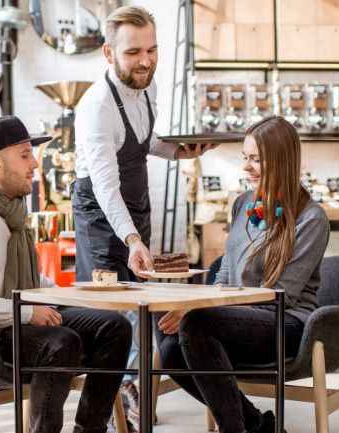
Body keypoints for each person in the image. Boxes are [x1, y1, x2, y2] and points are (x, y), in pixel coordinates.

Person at [0, 115, 131, 433]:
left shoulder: (9, 211)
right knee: (60, 342)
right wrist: (27, 314)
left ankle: (89, 429)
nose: (35, 165)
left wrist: (71, 296)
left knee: (114, 326)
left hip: (16, 318)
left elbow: (29, 280)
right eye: (25, 155)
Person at [72, 6, 212, 425]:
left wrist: (179, 151)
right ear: (109, 53)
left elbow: (143, 140)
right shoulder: (95, 105)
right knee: (111, 310)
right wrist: (132, 240)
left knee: (141, 301)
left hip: (136, 205)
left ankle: (131, 388)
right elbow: (104, 184)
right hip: (100, 213)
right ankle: (114, 403)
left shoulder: (148, 86)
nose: (147, 60)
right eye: (134, 52)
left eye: (152, 49)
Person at [158, 116, 330, 433]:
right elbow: (225, 271)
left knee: (196, 322)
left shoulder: (311, 218)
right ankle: (253, 423)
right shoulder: (243, 204)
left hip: (287, 321)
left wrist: (203, 309)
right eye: (245, 158)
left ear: (281, 160)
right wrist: (198, 303)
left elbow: (280, 294)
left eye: (256, 159)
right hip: (240, 317)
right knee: (168, 339)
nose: (246, 167)